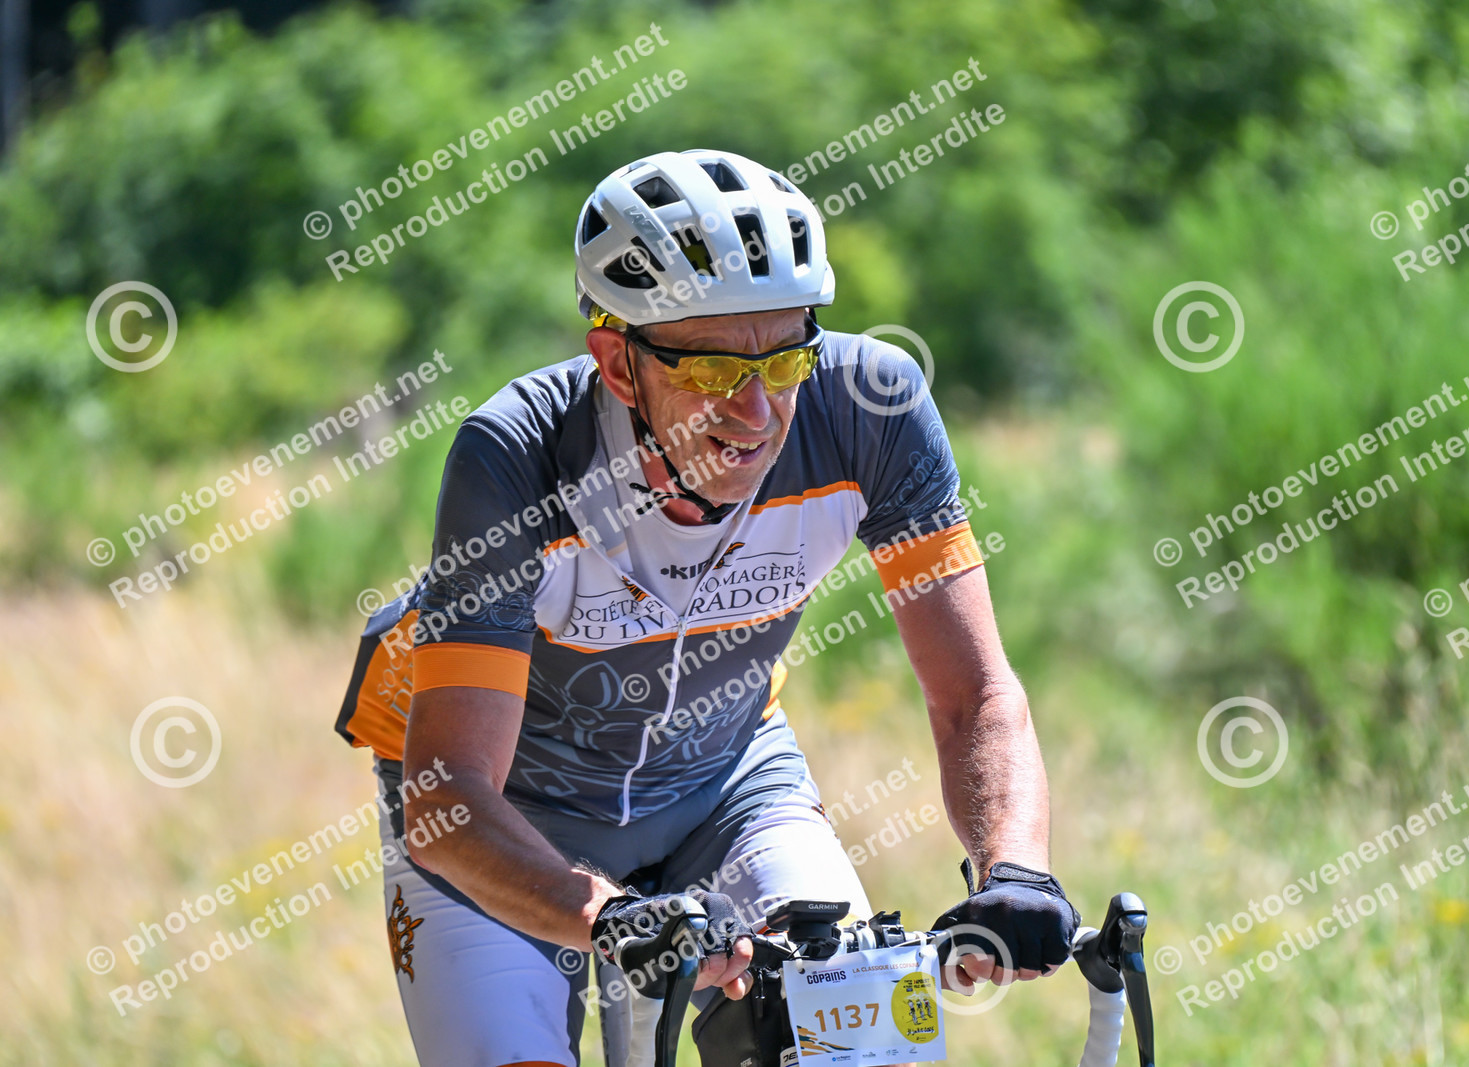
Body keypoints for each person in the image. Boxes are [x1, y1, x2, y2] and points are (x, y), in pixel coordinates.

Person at [334, 148, 1078, 1067]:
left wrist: (1016, 867)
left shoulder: (870, 410)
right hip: (506, 810)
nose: (759, 413)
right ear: (617, 362)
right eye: (716, 373)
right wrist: (607, 917)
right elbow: (450, 792)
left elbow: (975, 693)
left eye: (787, 358)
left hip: (723, 780)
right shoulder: (516, 455)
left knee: (859, 1049)